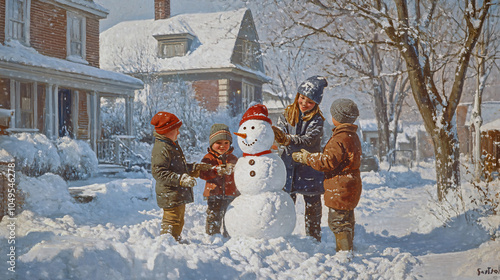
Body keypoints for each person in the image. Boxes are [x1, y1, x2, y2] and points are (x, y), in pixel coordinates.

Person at [291, 98, 362, 252]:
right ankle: (349, 247)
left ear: (338, 118)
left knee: (338, 222)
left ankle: (344, 251)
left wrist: (307, 158)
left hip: (339, 187)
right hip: (350, 185)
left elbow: (327, 161)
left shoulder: (339, 139)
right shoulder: (352, 136)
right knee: (347, 218)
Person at [272, 75, 328, 242]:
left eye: (310, 101)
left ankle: (313, 237)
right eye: (302, 98)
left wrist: (289, 140)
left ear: (316, 104)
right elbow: (280, 133)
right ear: (297, 96)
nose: (304, 103)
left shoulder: (317, 120)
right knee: (287, 202)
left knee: (312, 203)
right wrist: (279, 137)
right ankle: (283, 235)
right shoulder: (287, 113)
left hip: (308, 166)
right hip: (288, 166)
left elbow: (309, 140)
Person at [150, 111, 212, 243]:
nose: (178, 133)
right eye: (176, 130)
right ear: (167, 131)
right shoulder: (162, 148)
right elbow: (159, 172)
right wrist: (180, 179)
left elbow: (177, 167)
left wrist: (195, 168)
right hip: (169, 193)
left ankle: (175, 240)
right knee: (171, 219)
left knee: (179, 218)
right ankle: (166, 243)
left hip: (175, 193)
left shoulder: (170, 145)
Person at [199, 124, 239, 237]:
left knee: (229, 216)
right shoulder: (208, 159)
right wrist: (216, 170)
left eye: (226, 143)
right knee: (214, 215)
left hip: (231, 194)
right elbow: (202, 173)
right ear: (212, 144)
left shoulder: (233, 159)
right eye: (219, 143)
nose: (223, 146)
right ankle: (212, 235)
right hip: (214, 194)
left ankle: (229, 234)